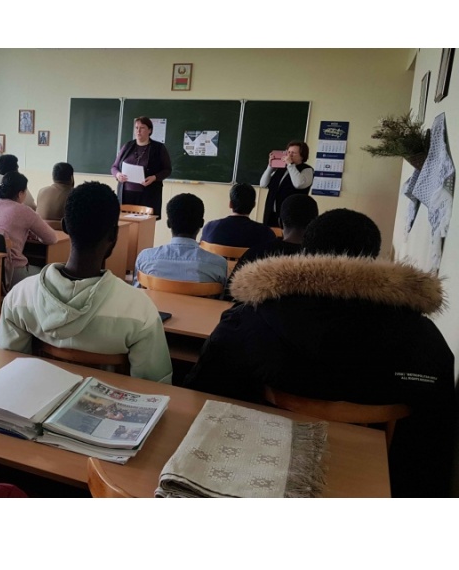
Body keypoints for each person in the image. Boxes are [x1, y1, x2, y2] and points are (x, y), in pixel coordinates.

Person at [185, 209, 456, 497]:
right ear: (375, 259)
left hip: (259, 468)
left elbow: (203, 392)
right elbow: (435, 441)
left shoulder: (250, 317)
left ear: (305, 253)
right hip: (371, 479)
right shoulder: (425, 338)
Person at [0, 181, 172, 383]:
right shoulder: (141, 311)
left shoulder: (18, 298)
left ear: (65, 226)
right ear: (114, 235)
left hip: (40, 398)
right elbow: (154, 386)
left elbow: (9, 369)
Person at [0, 171, 57, 287]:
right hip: (12, 271)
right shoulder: (24, 211)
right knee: (50, 276)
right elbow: (51, 239)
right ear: (21, 193)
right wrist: (37, 236)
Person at [133, 193, 227, 287]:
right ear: (201, 223)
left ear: (168, 223)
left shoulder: (145, 258)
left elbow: (136, 291)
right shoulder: (218, 264)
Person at [228, 193, 319, 280]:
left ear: (280, 223)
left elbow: (231, 287)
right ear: (315, 224)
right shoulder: (322, 259)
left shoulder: (256, 254)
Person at [111, 116, 172, 219]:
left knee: (145, 225)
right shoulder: (127, 146)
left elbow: (167, 170)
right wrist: (118, 175)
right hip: (126, 195)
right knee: (125, 224)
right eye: (136, 128)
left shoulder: (158, 148)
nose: (138, 131)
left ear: (150, 130)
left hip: (148, 195)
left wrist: (154, 177)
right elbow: (114, 167)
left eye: (142, 128)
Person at [200, 182, 276, 249]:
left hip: (218, 262)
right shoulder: (266, 233)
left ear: (230, 204)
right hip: (248, 262)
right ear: (254, 205)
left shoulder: (209, 227)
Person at [259, 140, 314, 227]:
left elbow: (299, 184)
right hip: (272, 213)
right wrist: (270, 166)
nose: (289, 155)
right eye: (288, 152)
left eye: (293, 153)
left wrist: (290, 165)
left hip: (291, 215)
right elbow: (263, 184)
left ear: (302, 156)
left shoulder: (307, 170)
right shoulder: (281, 168)